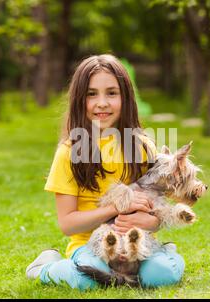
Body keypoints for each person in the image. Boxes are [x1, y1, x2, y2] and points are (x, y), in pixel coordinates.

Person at [26, 54, 184, 290]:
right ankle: (46, 267)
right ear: (79, 100)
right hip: (90, 244)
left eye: (112, 93)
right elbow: (68, 224)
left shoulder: (142, 147)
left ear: (126, 98)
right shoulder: (69, 152)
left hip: (137, 243)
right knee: (88, 278)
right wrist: (114, 208)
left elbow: (156, 209)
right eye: (92, 94)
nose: (102, 103)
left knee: (160, 275)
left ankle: (166, 252)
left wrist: (151, 223)